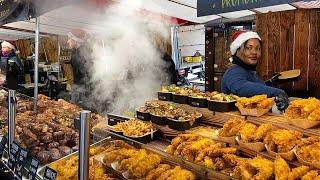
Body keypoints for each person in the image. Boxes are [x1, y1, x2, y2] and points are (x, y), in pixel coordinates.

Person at [221, 31, 289, 111]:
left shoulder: (248, 71)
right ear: (237, 50)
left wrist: (272, 82)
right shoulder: (233, 71)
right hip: (238, 121)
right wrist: (276, 92)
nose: (254, 52)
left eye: (258, 48)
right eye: (249, 48)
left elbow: (256, 87)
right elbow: (241, 87)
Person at [67, 29, 93, 108]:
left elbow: (87, 74)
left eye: (70, 39)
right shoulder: (75, 51)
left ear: (76, 40)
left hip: (84, 90)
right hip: (78, 87)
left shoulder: (84, 52)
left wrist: (81, 90)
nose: (67, 41)